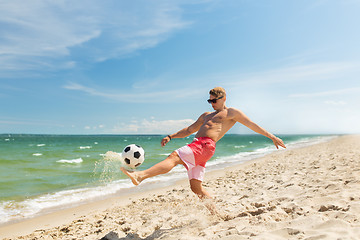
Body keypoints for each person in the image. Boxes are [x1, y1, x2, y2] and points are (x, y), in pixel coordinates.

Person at [121, 87, 286, 213]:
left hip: (205, 146)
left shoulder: (231, 112)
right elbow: (189, 129)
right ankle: (216, 214)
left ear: (224, 98)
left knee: (174, 156)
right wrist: (171, 136)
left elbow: (252, 125)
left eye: (214, 101)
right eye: (210, 101)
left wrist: (272, 137)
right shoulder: (206, 115)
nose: (212, 104)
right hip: (198, 147)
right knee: (196, 188)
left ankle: (140, 176)